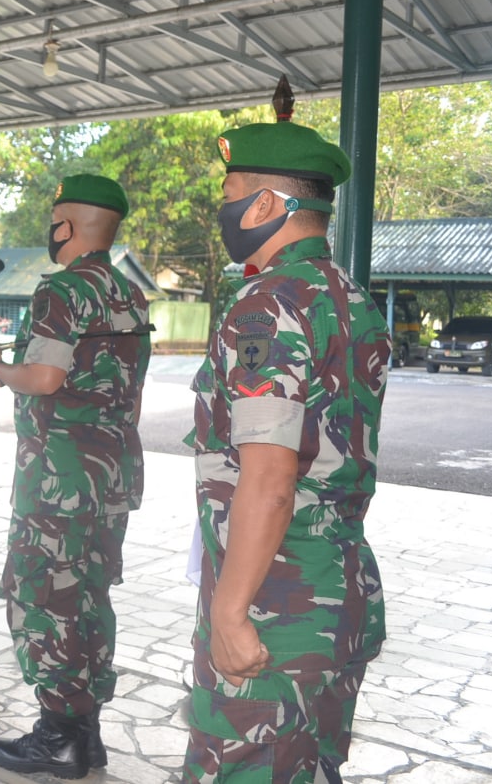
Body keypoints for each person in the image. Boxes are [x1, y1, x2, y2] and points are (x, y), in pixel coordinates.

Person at [181, 122, 390, 784]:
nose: (223, 206)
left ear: (266, 206)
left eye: (230, 190)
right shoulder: (352, 301)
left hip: (277, 605)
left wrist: (230, 607)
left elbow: (269, 477)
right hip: (338, 596)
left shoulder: (266, 305)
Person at [0, 175, 151, 780]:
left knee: (42, 597)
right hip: (112, 474)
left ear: (68, 226)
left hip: (58, 477)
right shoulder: (131, 294)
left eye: (54, 220)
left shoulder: (62, 291)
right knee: (89, 595)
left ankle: (58, 733)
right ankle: (87, 733)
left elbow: (46, 378)